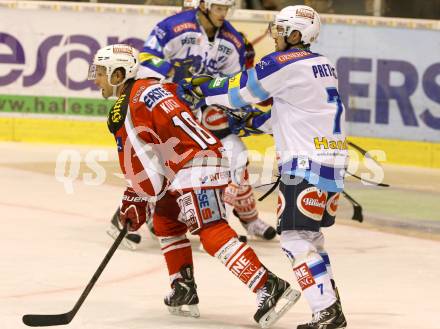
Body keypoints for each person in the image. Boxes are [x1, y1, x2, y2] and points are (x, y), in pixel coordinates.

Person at [88, 43, 299, 327]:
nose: (96, 78)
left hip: (194, 166)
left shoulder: (124, 109)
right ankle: (182, 289)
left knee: (210, 229)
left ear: (118, 74)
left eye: (101, 72)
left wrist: (133, 201)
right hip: (194, 161)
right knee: (165, 218)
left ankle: (268, 286)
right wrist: (144, 198)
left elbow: (142, 170)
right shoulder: (155, 86)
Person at [178, 5, 348, 329]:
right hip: (332, 164)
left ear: (298, 34)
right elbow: (292, 112)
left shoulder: (282, 62)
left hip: (305, 164)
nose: (277, 36)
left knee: (296, 240)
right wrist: (254, 123)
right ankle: (329, 305)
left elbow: (240, 90)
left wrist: (204, 87)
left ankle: (327, 310)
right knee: (311, 238)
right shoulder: (324, 64)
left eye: (282, 30)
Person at [135, 0, 277, 243]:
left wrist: (241, 115)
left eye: (226, 9)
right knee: (161, 167)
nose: (223, 14)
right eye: (219, 9)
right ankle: (146, 215)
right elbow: (146, 60)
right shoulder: (174, 27)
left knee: (235, 157)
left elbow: (235, 87)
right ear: (203, 6)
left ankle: (246, 219)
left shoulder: (232, 41)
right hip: (167, 109)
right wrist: (171, 72)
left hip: (205, 109)